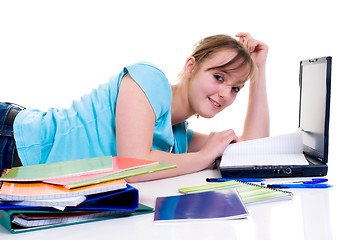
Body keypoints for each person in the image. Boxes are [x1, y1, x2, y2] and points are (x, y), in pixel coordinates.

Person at [0, 32, 269, 182]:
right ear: (191, 67)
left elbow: (252, 149)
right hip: (12, 141)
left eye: (236, 88)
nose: (225, 94)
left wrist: (258, 70)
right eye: (218, 77)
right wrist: (204, 156)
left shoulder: (176, 137)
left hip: (23, 164)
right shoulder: (149, 79)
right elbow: (133, 164)